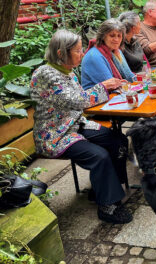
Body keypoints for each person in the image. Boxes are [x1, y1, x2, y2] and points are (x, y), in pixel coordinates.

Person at [31, 30, 132, 224]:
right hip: (56, 135)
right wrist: (104, 86)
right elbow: (77, 101)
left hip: (75, 125)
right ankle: (107, 207)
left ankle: (101, 191)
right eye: (78, 50)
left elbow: (79, 101)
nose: (82, 54)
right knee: (99, 155)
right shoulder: (46, 74)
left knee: (117, 140)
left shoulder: (66, 71)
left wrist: (107, 89)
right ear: (61, 53)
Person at [81, 18, 135, 90]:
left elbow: (130, 76)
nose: (116, 39)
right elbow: (112, 85)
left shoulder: (117, 51)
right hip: (97, 99)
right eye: (112, 36)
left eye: (119, 36)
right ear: (103, 36)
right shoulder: (94, 56)